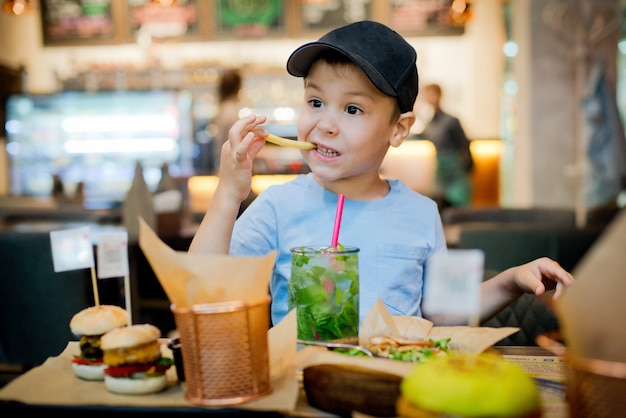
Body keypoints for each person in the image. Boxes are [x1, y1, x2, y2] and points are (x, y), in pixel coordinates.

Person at [188, 21, 574, 327]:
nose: (325, 123)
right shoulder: (278, 205)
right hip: (301, 391)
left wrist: (510, 281)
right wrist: (228, 194)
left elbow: (442, 312)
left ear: (399, 129)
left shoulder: (421, 213)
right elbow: (201, 288)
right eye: (316, 101)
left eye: (352, 109)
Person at [421, 83, 474, 209]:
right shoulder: (430, 122)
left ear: (439, 96)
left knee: (459, 205)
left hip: (455, 167)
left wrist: (467, 165)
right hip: (440, 167)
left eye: (431, 94)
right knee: (436, 203)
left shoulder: (451, 120)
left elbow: (464, 144)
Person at [211, 68, 244, 173]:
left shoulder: (222, 109)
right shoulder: (231, 113)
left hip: (224, 167)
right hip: (231, 170)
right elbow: (237, 146)